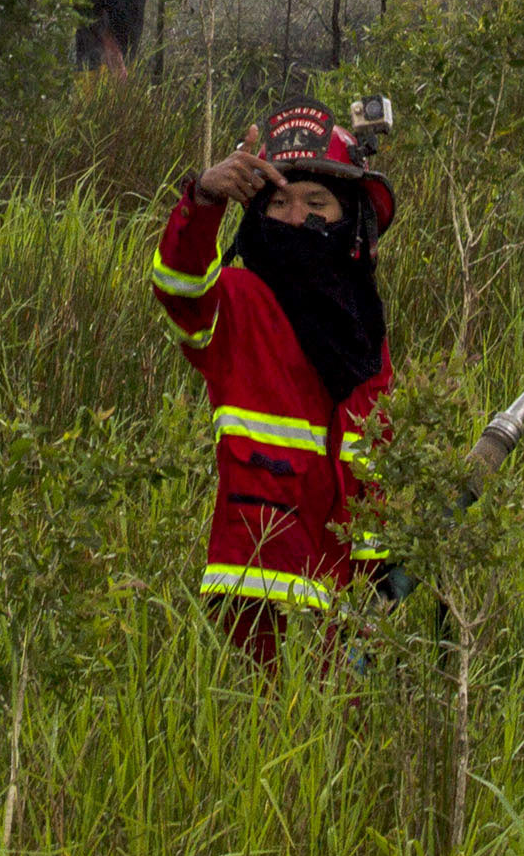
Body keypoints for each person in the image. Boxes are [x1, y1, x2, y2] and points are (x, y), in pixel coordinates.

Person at [149, 103, 398, 662]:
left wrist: (390, 573)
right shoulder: (236, 301)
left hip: (351, 606)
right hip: (258, 599)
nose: (293, 217)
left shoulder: (366, 331)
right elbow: (180, 287)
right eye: (279, 201)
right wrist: (206, 200)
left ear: (349, 216)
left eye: (316, 203)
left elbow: (375, 467)